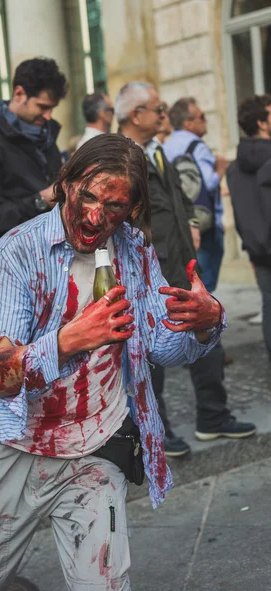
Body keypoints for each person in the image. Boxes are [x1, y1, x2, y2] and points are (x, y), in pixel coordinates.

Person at [0, 134, 226, 591]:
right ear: (64, 184)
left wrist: (204, 325)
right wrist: (71, 340)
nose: (95, 217)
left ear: (131, 208)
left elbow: (157, 346)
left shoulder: (134, 250)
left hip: (95, 447)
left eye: (113, 206)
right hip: (12, 447)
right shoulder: (17, 253)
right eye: (87, 196)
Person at [115, 82, 256, 457]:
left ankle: (213, 416)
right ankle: (154, 434)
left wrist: (191, 224)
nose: (165, 116)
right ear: (136, 115)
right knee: (150, 354)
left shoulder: (158, 150)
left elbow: (175, 202)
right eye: (158, 110)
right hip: (147, 271)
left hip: (181, 264)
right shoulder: (118, 157)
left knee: (208, 334)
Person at [0, 57, 68, 248]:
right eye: (42, 107)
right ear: (19, 94)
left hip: (56, 253)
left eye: (52, 108)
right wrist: (40, 201)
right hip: (14, 259)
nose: (48, 116)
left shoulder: (48, 140)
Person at [164, 97, 229, 294]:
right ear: (188, 123)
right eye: (201, 116)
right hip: (205, 223)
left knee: (189, 283)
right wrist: (220, 169)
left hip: (181, 223)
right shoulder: (197, 146)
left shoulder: (166, 146)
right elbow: (208, 182)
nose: (205, 119)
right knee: (205, 285)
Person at [227, 94, 271, 362]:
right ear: (262, 123)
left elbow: (241, 213)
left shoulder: (235, 168)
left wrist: (251, 246)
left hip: (259, 251)